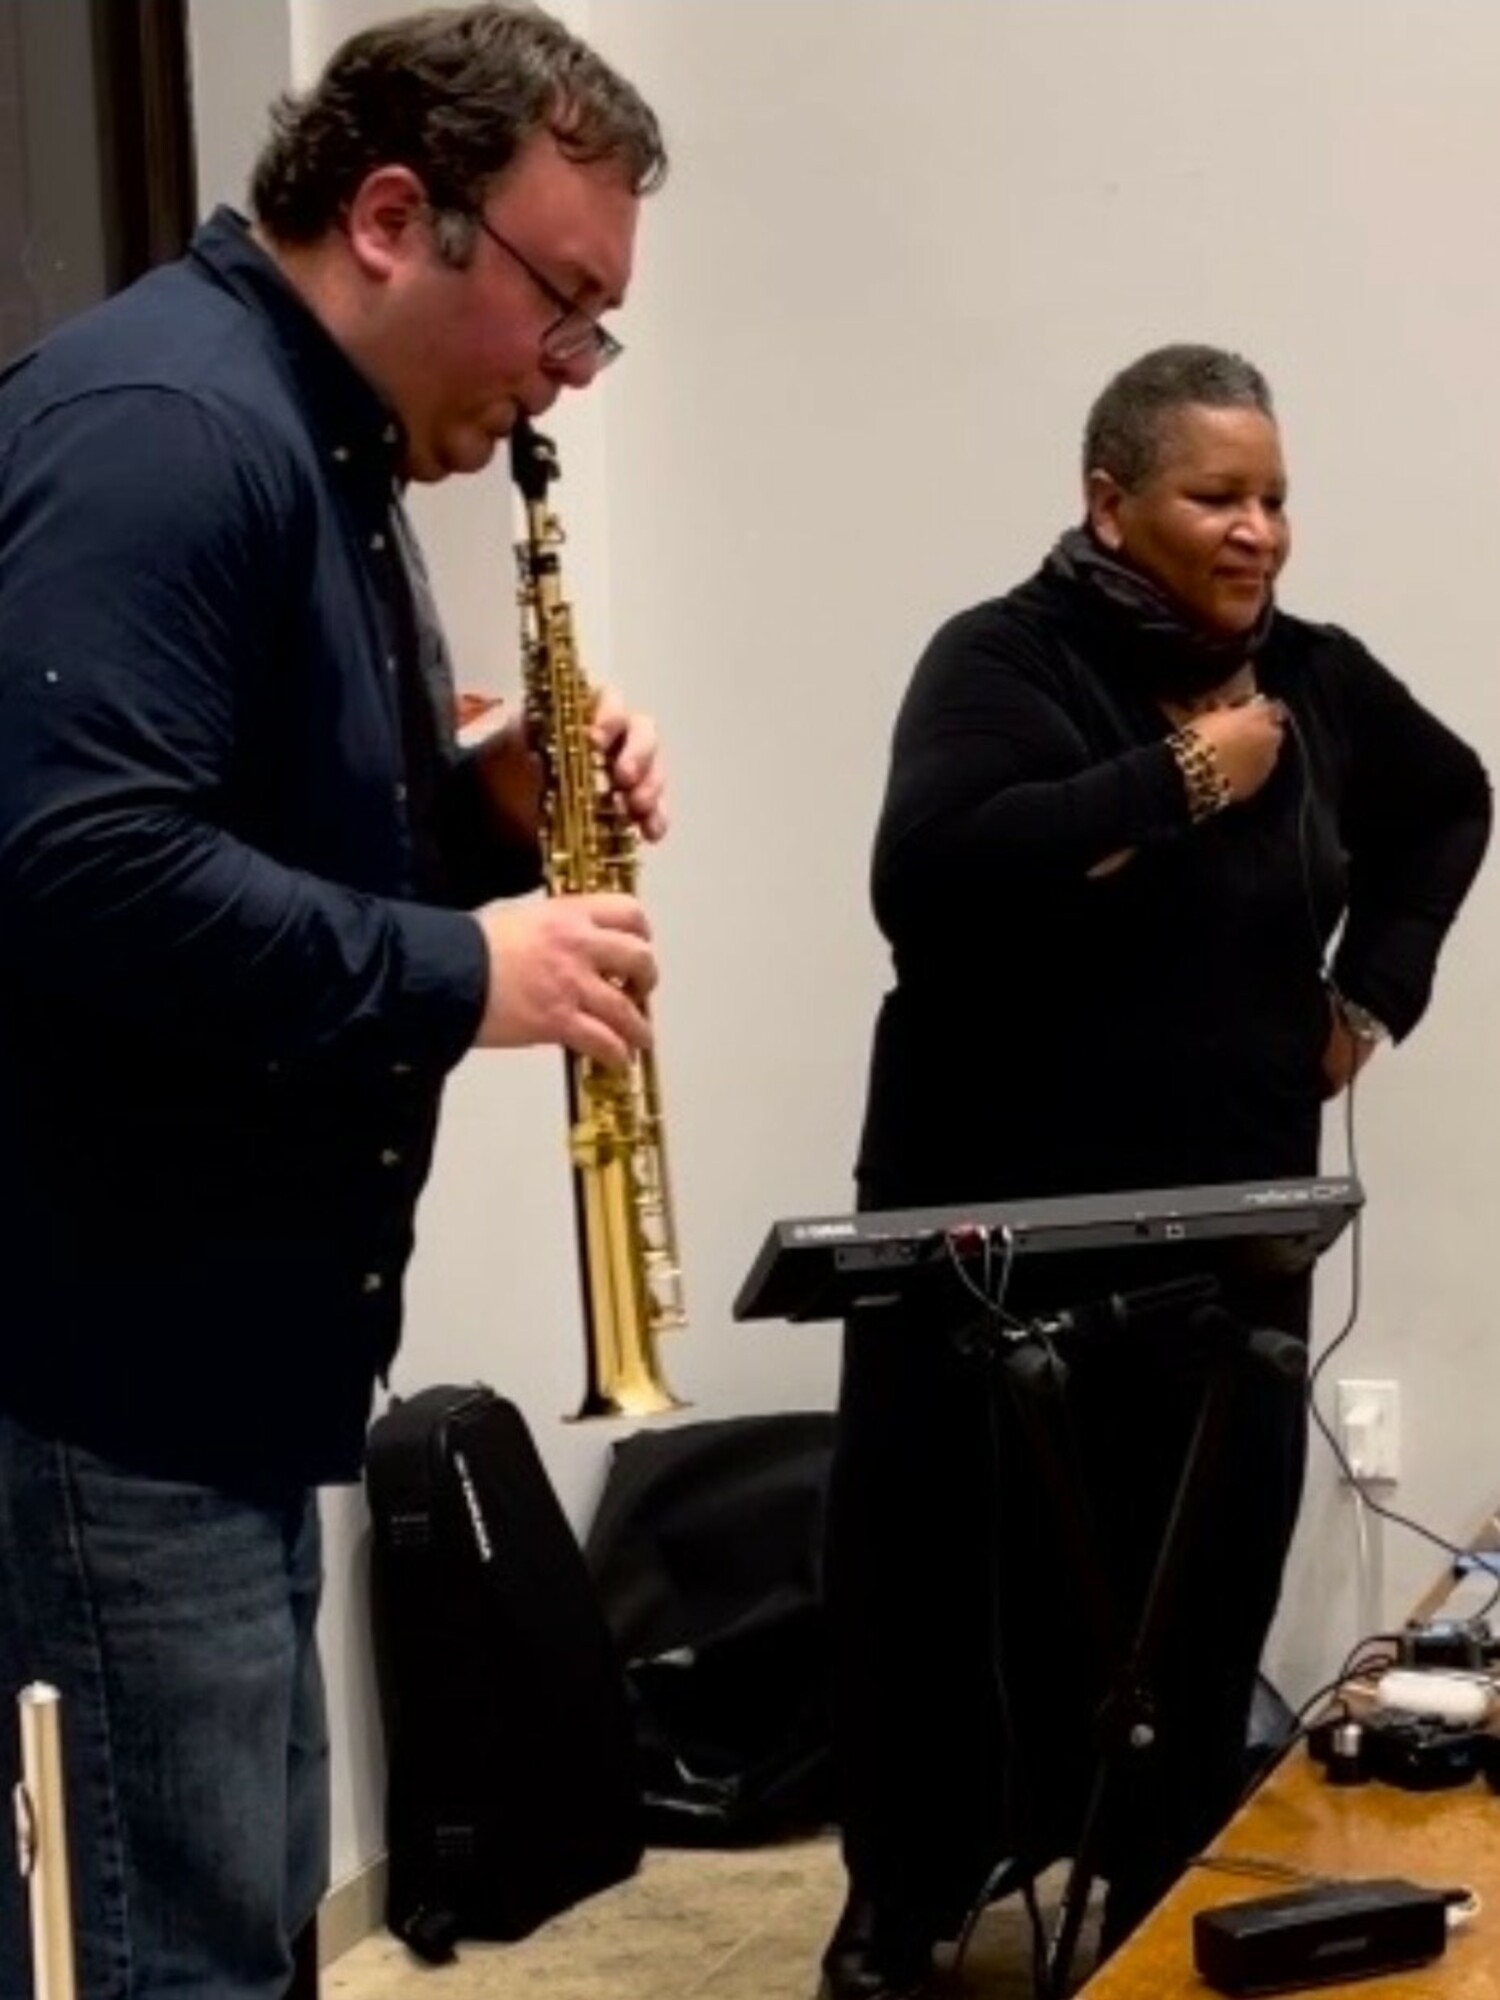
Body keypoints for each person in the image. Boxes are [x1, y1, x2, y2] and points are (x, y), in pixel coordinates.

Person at [0, 8, 668, 1997]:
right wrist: (470, 968)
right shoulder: (172, 429)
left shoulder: (317, 443)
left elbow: (269, 811)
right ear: (395, 215)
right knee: (170, 1949)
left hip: (213, 1367)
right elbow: (73, 861)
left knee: (238, 1929)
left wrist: (482, 805)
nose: (570, 368)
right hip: (105, 1368)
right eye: (565, 302)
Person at [820, 343, 1491, 2000]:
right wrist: (1194, 776)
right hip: (998, 1233)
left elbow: (1452, 801)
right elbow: (937, 873)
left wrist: (1371, 997)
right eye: (1216, 496)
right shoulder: (1002, 661)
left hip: (1229, 1236)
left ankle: (1153, 1896)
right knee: (951, 1589)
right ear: (1109, 504)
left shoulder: (1319, 682)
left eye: (1273, 496)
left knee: (1190, 1593)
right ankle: (903, 1911)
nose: (1257, 530)